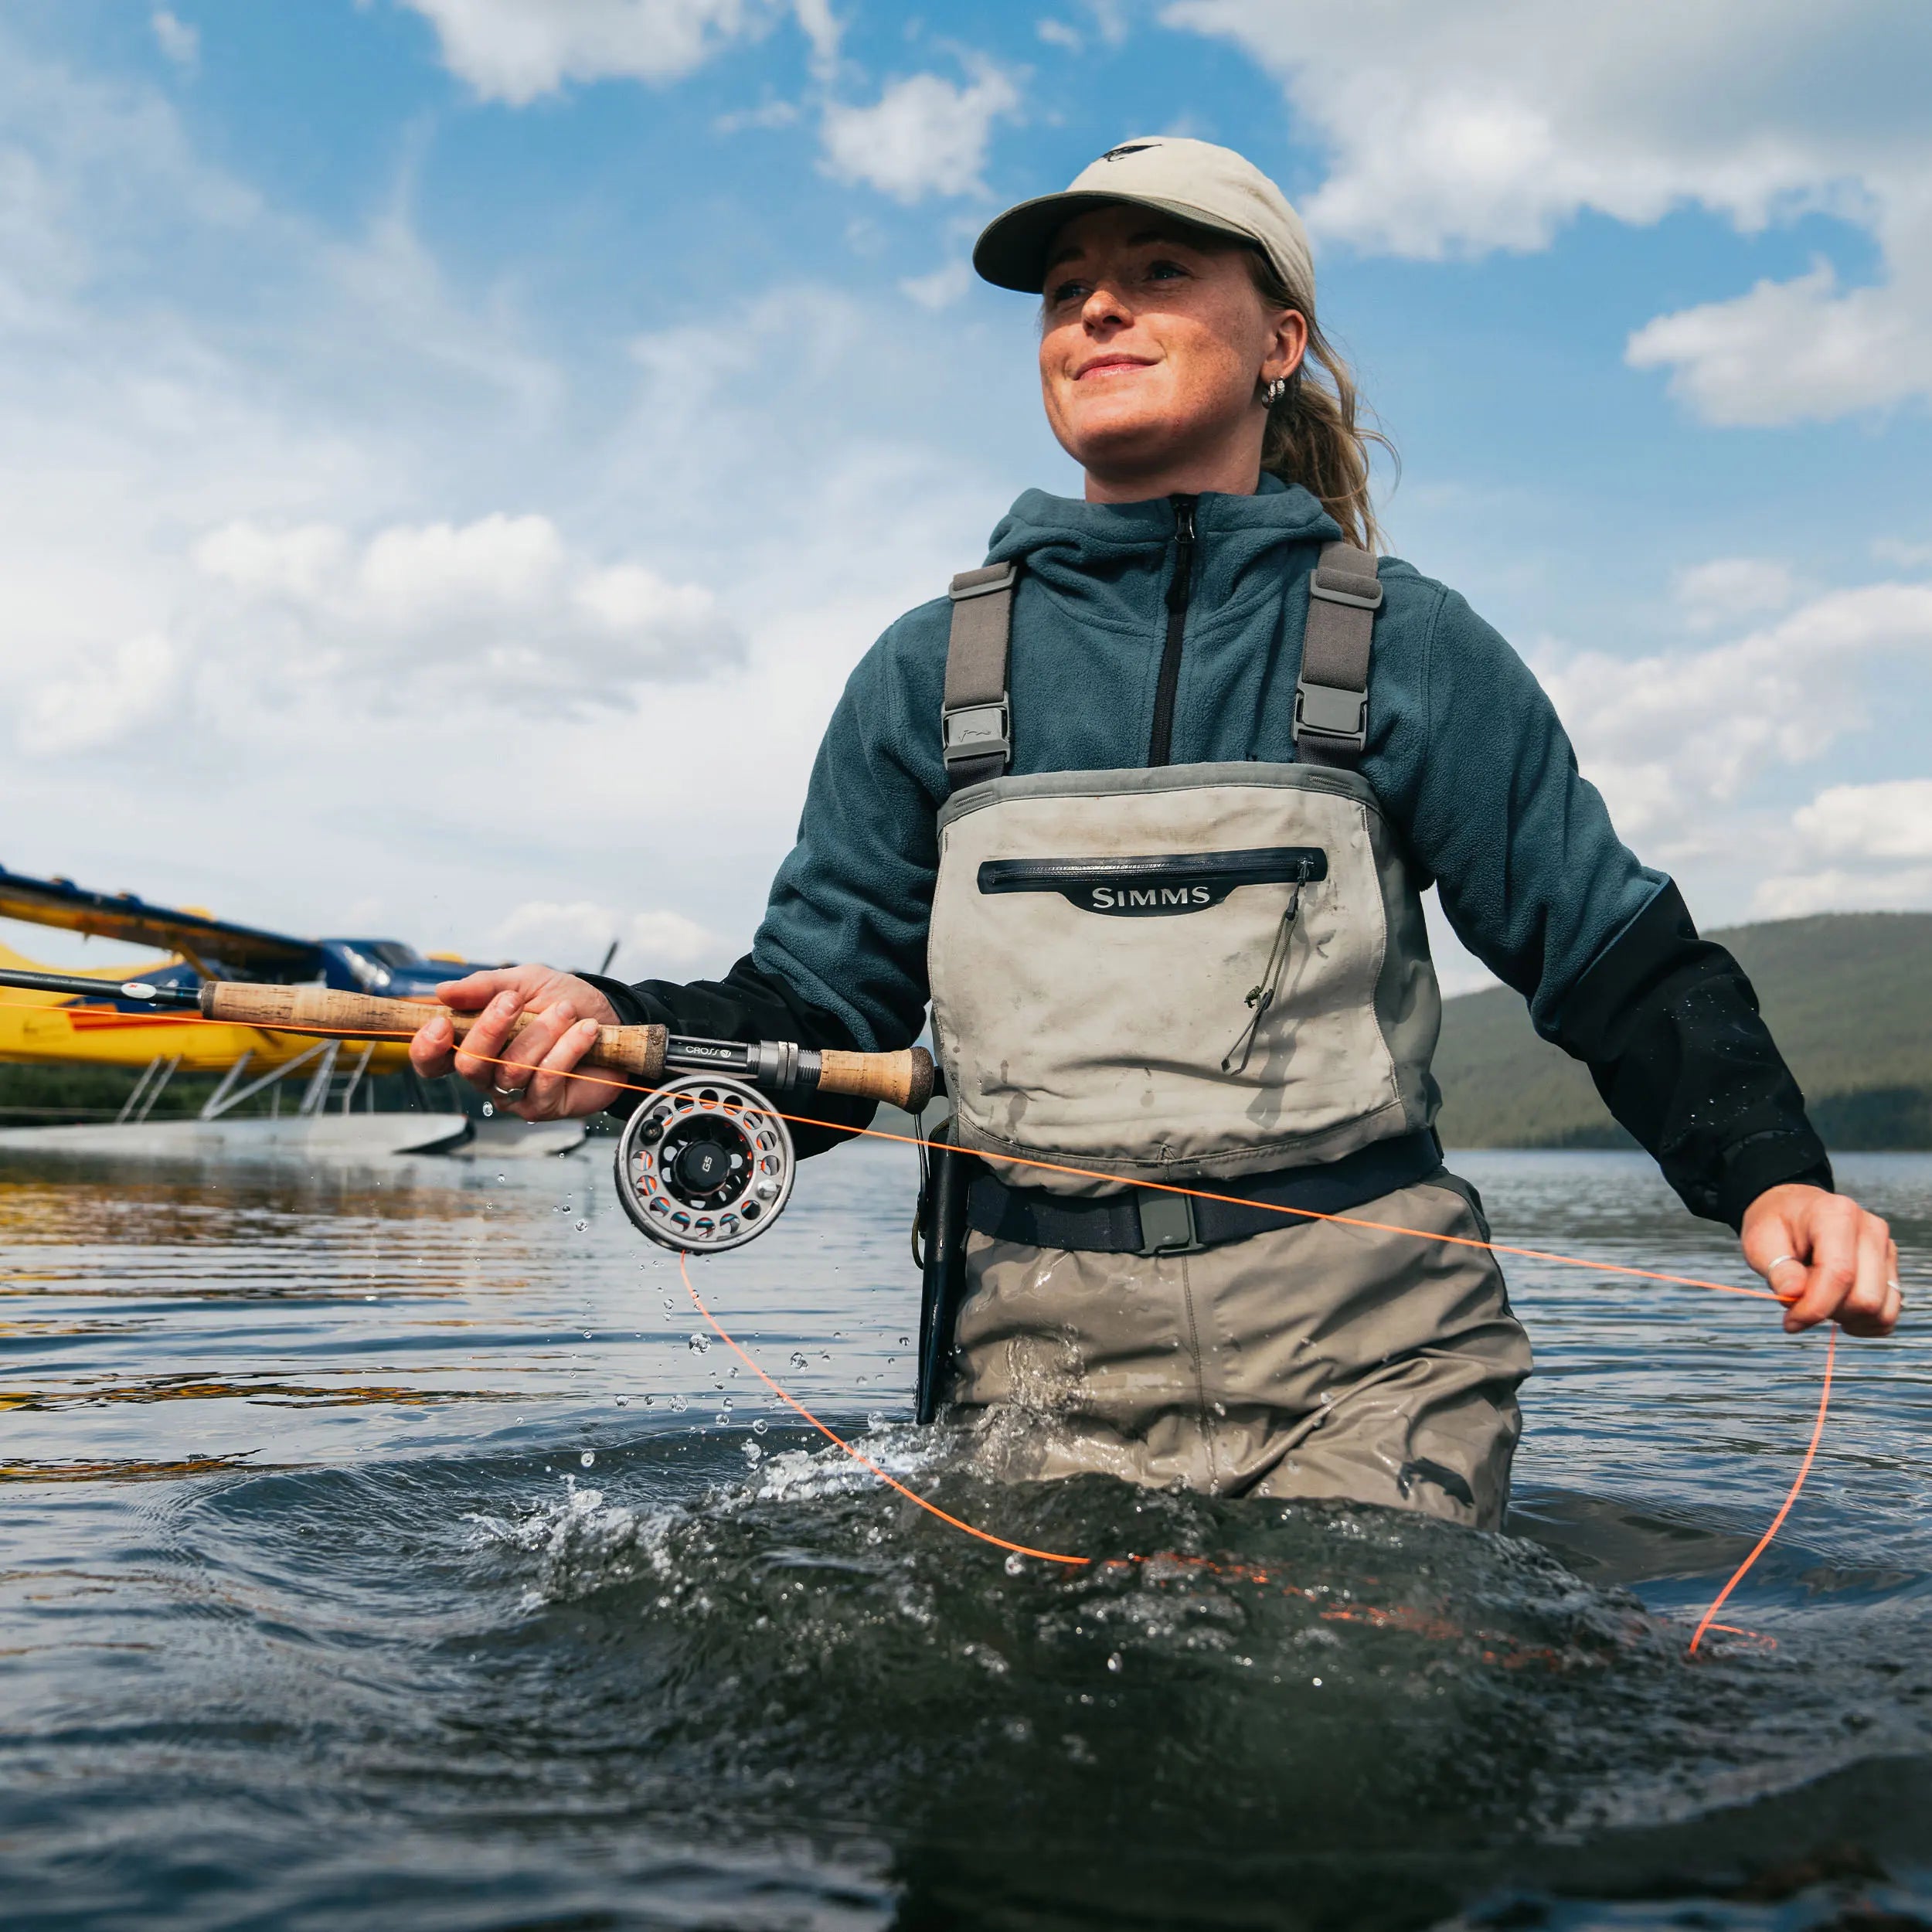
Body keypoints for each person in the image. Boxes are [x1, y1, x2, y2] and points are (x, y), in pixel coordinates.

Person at [410, 138, 1900, 1529]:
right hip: (1026, 1368)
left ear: (1280, 342)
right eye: (1067, 293)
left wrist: (1772, 1174)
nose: (1098, 309)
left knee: (1330, 1743)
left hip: (1374, 1357)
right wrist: (614, 1038)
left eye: (1161, 272)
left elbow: (1610, 953)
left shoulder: (1412, 647)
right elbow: (815, 1024)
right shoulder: (925, 673)